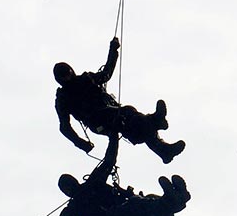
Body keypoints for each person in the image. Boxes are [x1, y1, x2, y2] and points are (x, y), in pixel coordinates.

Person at [18, 136, 190, 216]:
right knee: (140, 203)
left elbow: (108, 162)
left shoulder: (88, 190)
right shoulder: (77, 204)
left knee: (147, 202)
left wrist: (113, 137)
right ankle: (174, 200)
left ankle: (175, 199)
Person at [54, 37, 185, 164]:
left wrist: (113, 50)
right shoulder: (63, 98)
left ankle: (162, 145)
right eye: (65, 76)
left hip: (111, 111)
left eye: (69, 73)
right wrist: (82, 144)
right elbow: (64, 127)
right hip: (98, 122)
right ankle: (157, 124)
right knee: (128, 114)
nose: (68, 77)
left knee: (135, 121)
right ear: (60, 79)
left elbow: (106, 74)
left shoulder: (85, 79)